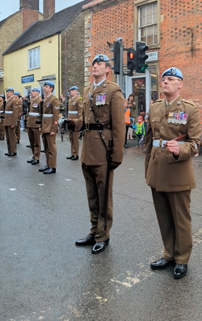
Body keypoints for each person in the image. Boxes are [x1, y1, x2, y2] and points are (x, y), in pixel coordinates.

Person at [143, 67, 202, 279]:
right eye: (164, 79)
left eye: (170, 79)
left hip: (178, 170)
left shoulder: (190, 109)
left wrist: (182, 149)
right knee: (164, 216)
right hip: (157, 169)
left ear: (180, 84)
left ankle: (182, 258)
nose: (165, 82)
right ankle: (169, 253)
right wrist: (147, 168)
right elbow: (149, 142)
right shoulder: (155, 108)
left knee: (180, 218)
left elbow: (196, 143)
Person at [75, 54, 126, 255]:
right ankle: (94, 230)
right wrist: (74, 124)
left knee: (104, 195)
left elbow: (119, 126)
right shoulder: (88, 90)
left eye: (100, 64)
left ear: (107, 70)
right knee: (92, 195)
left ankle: (103, 235)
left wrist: (117, 154)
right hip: (87, 149)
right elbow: (84, 119)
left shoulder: (113, 91)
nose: (95, 66)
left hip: (103, 150)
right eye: (93, 63)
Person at [39, 81, 61, 174]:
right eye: (44, 87)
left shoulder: (54, 99)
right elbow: (43, 115)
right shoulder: (46, 99)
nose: (45, 88)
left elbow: (55, 116)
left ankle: (52, 166)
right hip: (45, 126)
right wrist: (41, 126)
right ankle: (48, 164)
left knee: (51, 148)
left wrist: (53, 129)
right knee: (46, 147)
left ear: (51, 88)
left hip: (50, 127)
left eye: (47, 87)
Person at [26, 88, 43, 166]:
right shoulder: (32, 101)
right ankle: (34, 155)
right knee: (31, 141)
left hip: (36, 124)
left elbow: (41, 114)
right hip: (30, 124)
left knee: (36, 142)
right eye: (31, 91)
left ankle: (37, 157)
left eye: (33, 91)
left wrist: (40, 125)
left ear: (38, 93)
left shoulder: (40, 101)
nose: (31, 93)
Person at [66, 86, 83, 161]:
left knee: (75, 139)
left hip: (76, 121)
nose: (71, 92)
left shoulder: (79, 99)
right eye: (71, 90)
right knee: (71, 138)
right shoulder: (70, 100)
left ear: (76, 91)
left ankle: (76, 154)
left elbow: (80, 111)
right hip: (70, 121)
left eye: (72, 90)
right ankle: (72, 153)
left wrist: (78, 120)